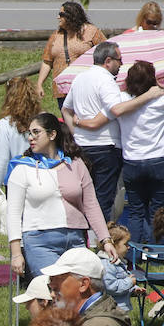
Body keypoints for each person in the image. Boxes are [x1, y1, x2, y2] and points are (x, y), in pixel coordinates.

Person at [88, 59, 164, 247]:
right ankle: (154, 250)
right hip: (160, 161)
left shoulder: (122, 100)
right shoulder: (163, 99)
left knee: (135, 210)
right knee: (156, 210)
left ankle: (134, 252)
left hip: (132, 162)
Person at [4, 111, 111, 280]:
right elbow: (13, 214)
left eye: (36, 132)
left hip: (76, 239)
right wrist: (17, 253)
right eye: (29, 133)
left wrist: (105, 240)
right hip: (40, 241)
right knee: (54, 292)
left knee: (77, 294)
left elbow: (91, 205)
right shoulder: (22, 168)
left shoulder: (75, 164)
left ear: (52, 134)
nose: (31, 137)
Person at [61, 42, 125, 222]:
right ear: (108, 61)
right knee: (103, 199)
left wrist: (77, 133)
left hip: (83, 147)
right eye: (119, 60)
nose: (121, 64)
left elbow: (66, 109)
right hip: (106, 146)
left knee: (85, 197)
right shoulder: (106, 80)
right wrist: (92, 124)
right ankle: (100, 241)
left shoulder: (80, 78)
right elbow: (115, 109)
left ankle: (85, 237)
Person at [0, 76, 39, 213]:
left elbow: (1, 162)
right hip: (42, 177)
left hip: (16, 182)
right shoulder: (42, 118)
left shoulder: (5, 124)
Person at [37, 2, 106, 104]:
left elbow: (108, 52)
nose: (58, 17)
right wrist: (39, 84)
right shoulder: (56, 36)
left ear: (71, 16)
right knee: (67, 119)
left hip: (87, 88)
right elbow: (47, 61)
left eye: (61, 14)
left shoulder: (92, 32)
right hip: (62, 91)